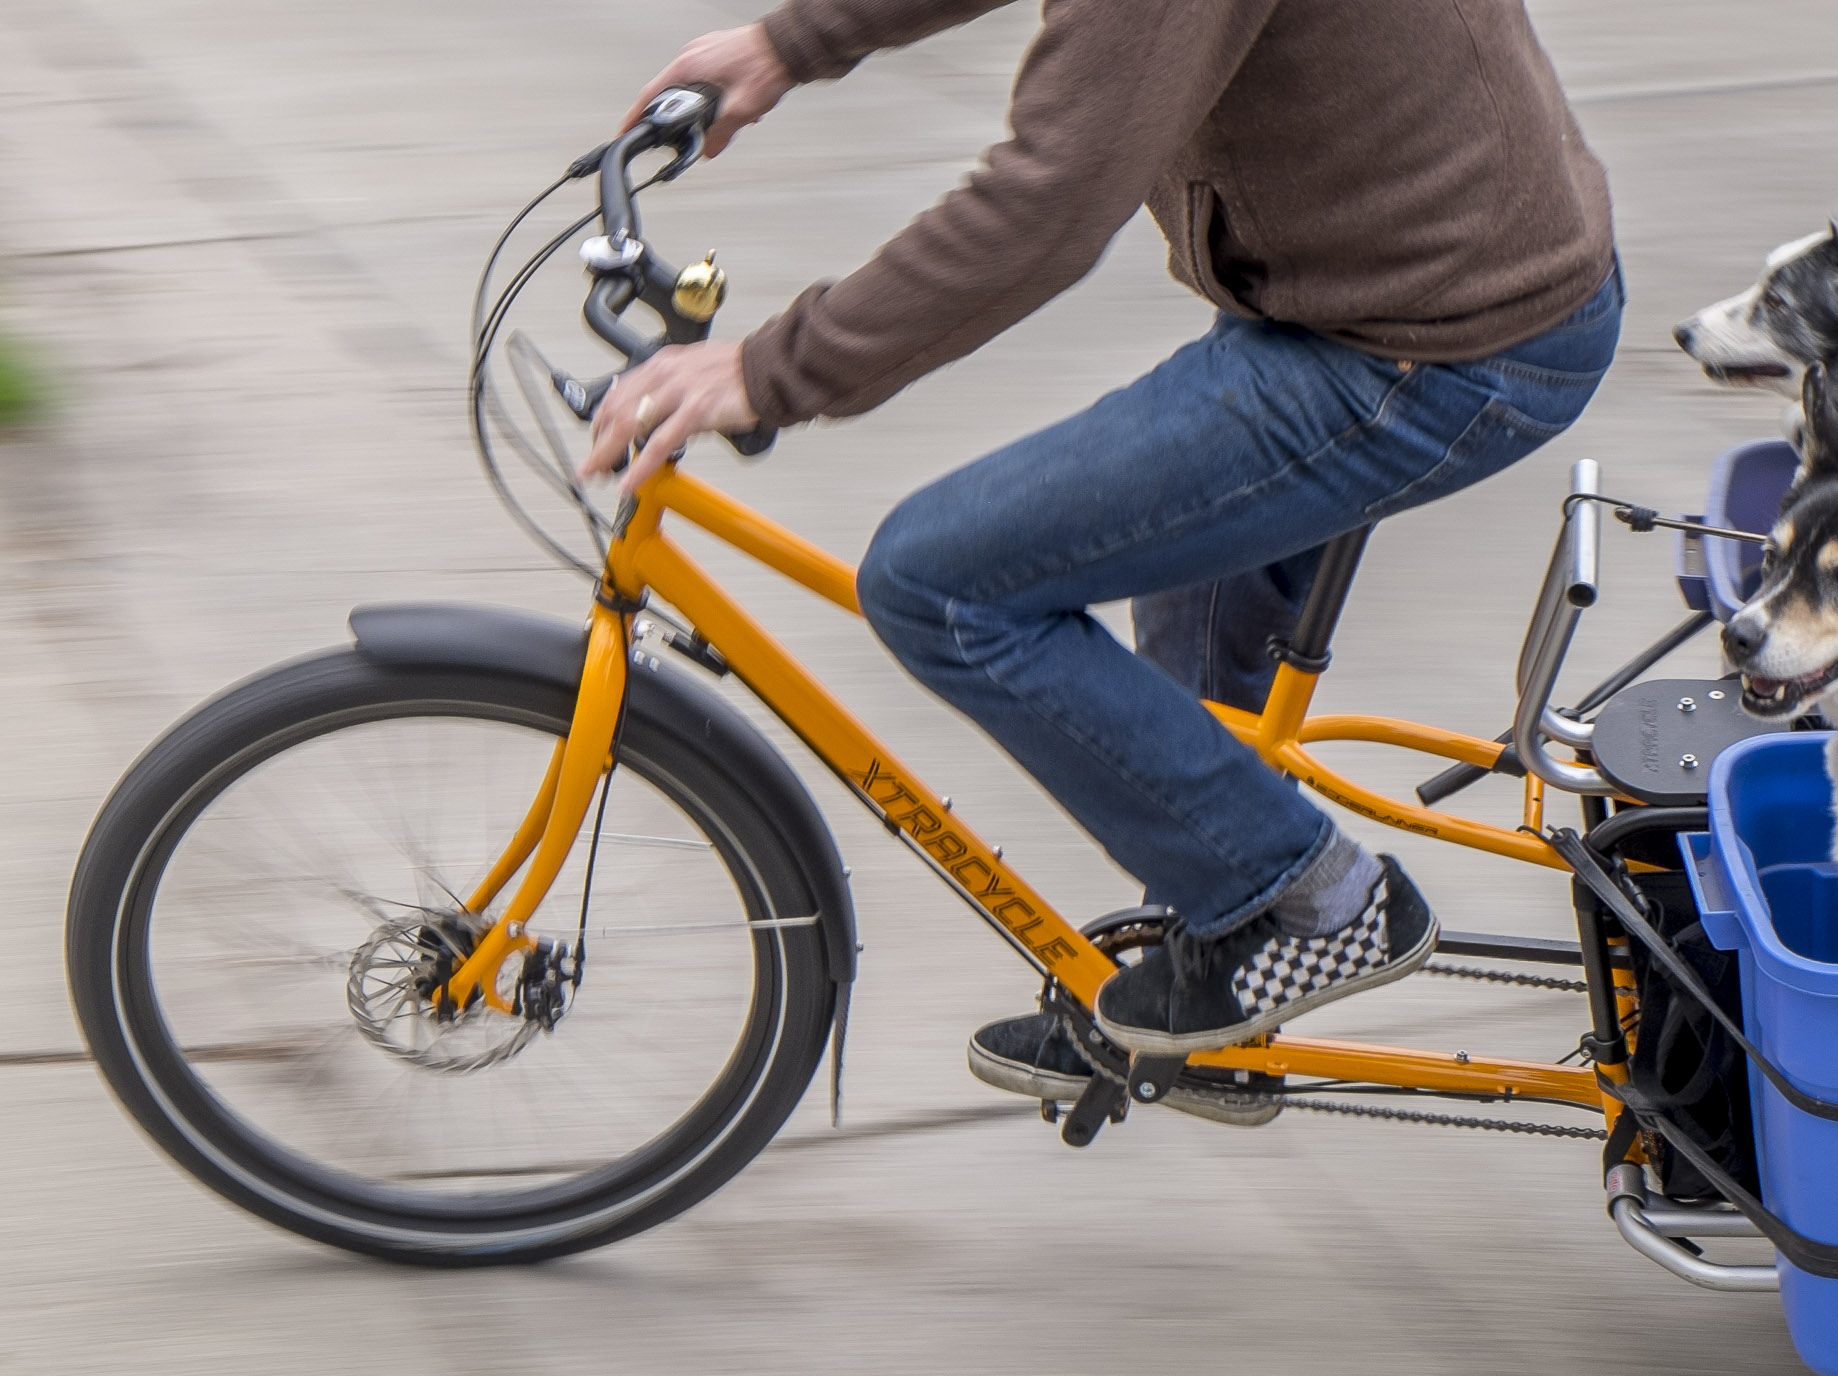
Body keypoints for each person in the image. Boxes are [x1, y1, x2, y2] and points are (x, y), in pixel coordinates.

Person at [580, 1, 1621, 1120]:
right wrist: (792, 45)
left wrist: (773, 369)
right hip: (1368, 280)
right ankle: (1224, 968)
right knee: (1175, 587)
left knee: (939, 581)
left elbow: (1051, 200)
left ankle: (1306, 908)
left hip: (1435, 342)